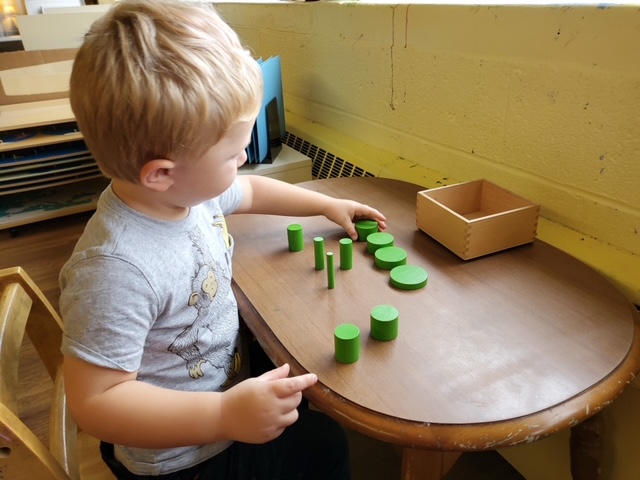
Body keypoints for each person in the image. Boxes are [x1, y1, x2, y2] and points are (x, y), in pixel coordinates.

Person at [59, 0, 387, 479]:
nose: (243, 164)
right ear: (162, 174)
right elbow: (96, 403)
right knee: (325, 445)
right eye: (235, 154)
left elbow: (249, 190)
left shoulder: (186, 195)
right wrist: (223, 416)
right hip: (184, 457)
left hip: (220, 384)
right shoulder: (115, 269)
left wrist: (323, 204)